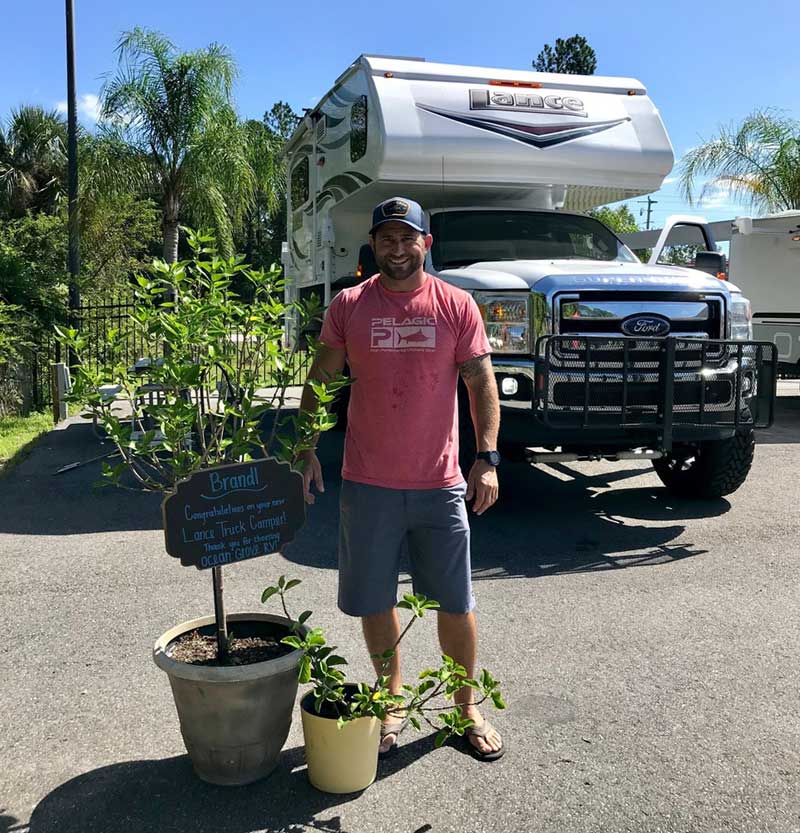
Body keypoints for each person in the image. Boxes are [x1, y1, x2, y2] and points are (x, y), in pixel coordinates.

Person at [297, 197, 504, 760]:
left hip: (439, 484)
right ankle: (390, 699)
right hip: (367, 482)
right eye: (385, 238)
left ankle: (465, 706)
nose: (396, 248)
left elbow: (480, 385)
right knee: (374, 599)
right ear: (374, 244)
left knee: (455, 602)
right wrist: (305, 450)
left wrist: (486, 458)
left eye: (406, 238)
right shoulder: (348, 305)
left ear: (425, 244)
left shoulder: (456, 306)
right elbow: (322, 379)